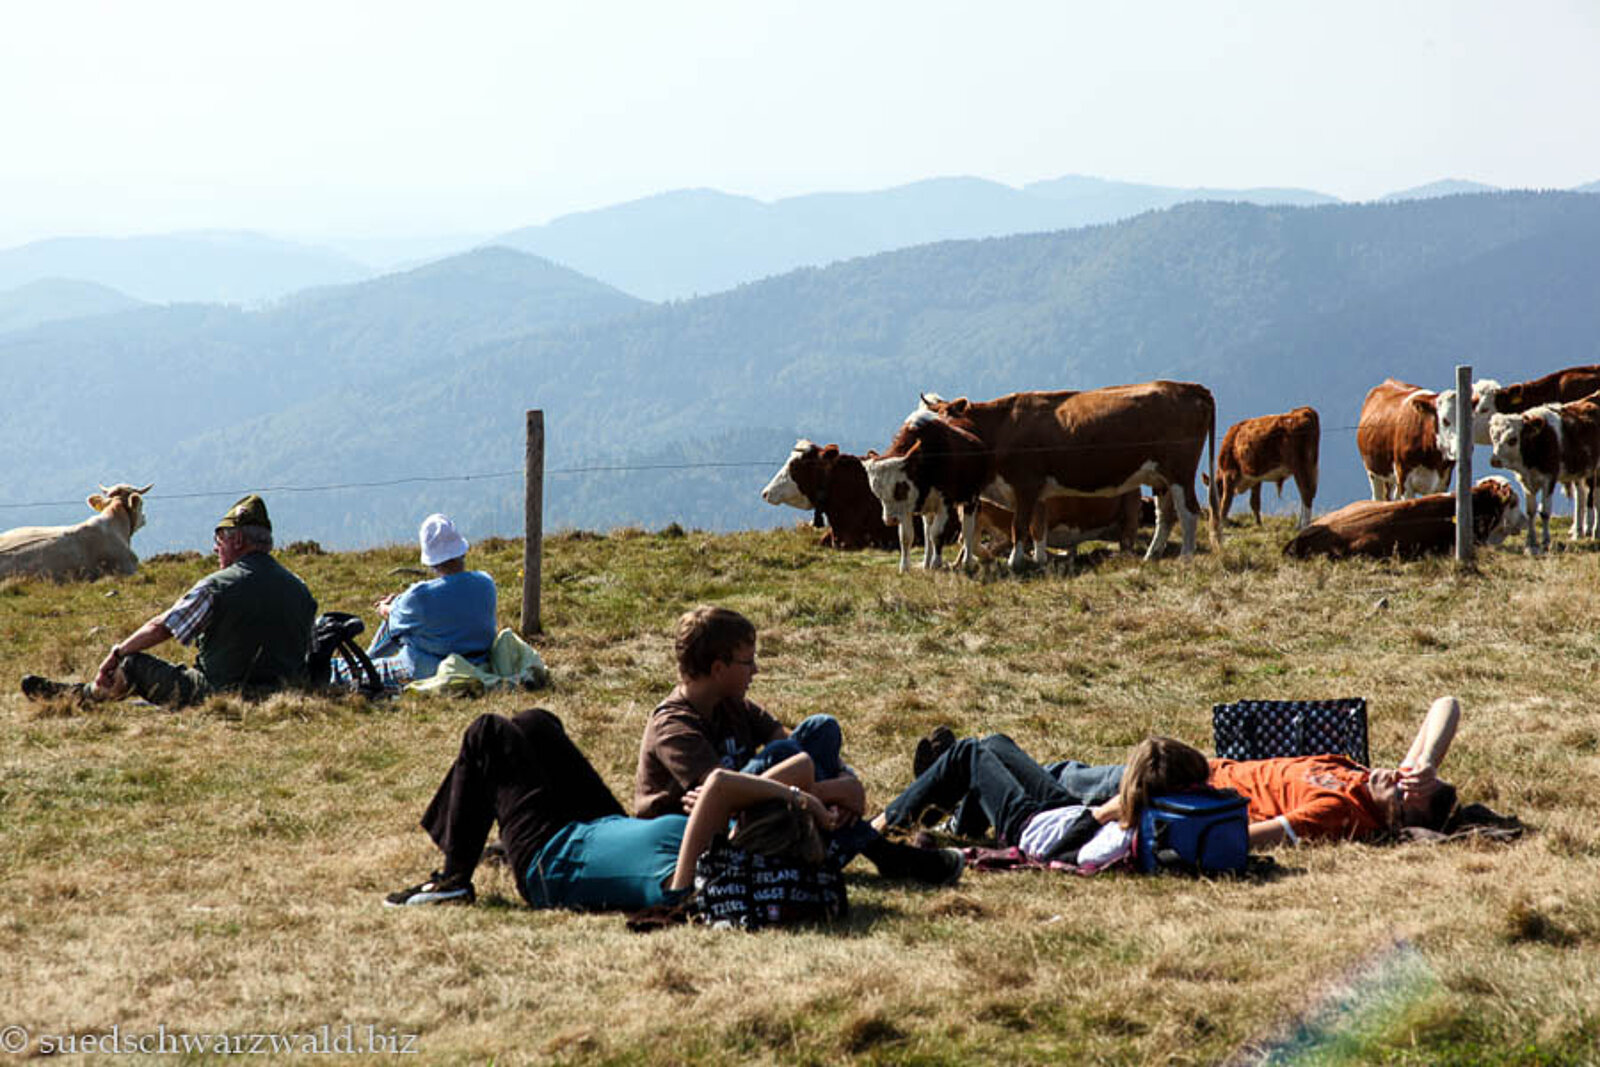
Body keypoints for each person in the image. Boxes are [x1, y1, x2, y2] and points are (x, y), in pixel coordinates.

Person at [633, 605, 964, 885]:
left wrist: (839, 780)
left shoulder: (732, 704)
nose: (756, 670)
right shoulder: (674, 726)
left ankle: (863, 846)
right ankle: (885, 854)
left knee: (821, 728)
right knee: (783, 756)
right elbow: (722, 797)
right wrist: (827, 794)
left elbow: (794, 743)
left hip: (756, 813)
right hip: (708, 837)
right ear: (718, 669)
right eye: (748, 662)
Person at [386, 707, 840, 909]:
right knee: (535, 725)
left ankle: (453, 880)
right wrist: (815, 805)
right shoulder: (721, 839)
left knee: (489, 733)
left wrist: (801, 800)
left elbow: (721, 783)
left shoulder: (693, 879)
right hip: (596, 824)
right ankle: (488, 837)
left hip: (549, 861)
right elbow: (800, 764)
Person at [894, 695, 1464, 851]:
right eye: (1412, 770)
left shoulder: (1346, 811)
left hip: (1179, 789)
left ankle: (948, 790)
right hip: (1201, 764)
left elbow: (1249, 838)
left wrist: (1136, 818)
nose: (1403, 772)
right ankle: (955, 790)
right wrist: (1428, 766)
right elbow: (1447, 703)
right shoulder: (1365, 776)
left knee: (1058, 782)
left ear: (1402, 815)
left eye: (1412, 787)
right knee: (1052, 773)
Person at [21, 494, 316, 708]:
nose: (215, 549)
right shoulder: (300, 589)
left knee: (134, 663)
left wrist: (118, 652)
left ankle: (84, 695)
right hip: (284, 693)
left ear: (237, 541)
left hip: (218, 695)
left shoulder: (217, 587)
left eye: (220, 540)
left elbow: (164, 627)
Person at [873, 734, 1211, 865]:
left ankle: (882, 823)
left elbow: (1059, 854)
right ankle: (952, 808)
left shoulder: (1127, 832)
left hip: (1030, 827)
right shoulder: (1160, 817)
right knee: (996, 744)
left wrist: (1102, 816)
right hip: (1064, 809)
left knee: (968, 753)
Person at [331, 513, 496, 690]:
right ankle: (367, 661)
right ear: (461, 550)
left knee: (336, 669)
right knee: (405, 617)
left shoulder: (420, 596)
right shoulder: (485, 582)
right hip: (477, 663)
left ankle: (363, 664)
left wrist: (385, 608)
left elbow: (393, 621)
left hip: (425, 668)